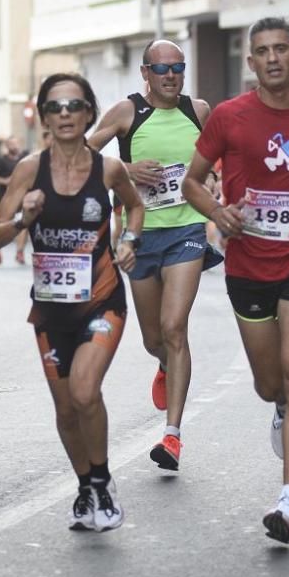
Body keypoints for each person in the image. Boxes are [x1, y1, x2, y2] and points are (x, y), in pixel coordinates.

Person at [182, 17, 289, 544]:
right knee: (270, 385)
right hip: (249, 265)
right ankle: (277, 405)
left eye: (283, 49)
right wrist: (219, 213)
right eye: (263, 51)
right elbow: (191, 181)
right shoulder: (229, 117)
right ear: (251, 62)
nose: (274, 58)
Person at [0, 73, 144, 532]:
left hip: (101, 300)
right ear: (42, 116)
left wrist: (130, 239)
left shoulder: (108, 169)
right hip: (51, 308)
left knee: (83, 391)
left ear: (88, 113)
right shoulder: (28, 171)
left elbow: (135, 206)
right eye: (54, 107)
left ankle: (101, 480)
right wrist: (24, 217)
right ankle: (85, 486)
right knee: (64, 409)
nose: (64, 115)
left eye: (73, 106)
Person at [88, 40, 221, 471]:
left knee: (173, 326)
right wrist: (125, 170)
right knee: (153, 339)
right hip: (140, 235)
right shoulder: (126, 112)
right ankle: (165, 364)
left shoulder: (197, 111)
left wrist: (215, 179)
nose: (170, 76)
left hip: (186, 230)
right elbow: (84, 153)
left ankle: (172, 435)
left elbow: (222, 155)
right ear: (145, 73)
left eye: (178, 68)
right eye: (161, 69)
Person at [0, 137, 28, 264]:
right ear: (7, 146)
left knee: (23, 223)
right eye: (11, 144)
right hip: (5, 198)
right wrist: (5, 181)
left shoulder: (26, 158)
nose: (14, 146)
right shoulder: (2, 161)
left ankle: (20, 252)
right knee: (1, 224)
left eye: (15, 143)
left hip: (23, 198)